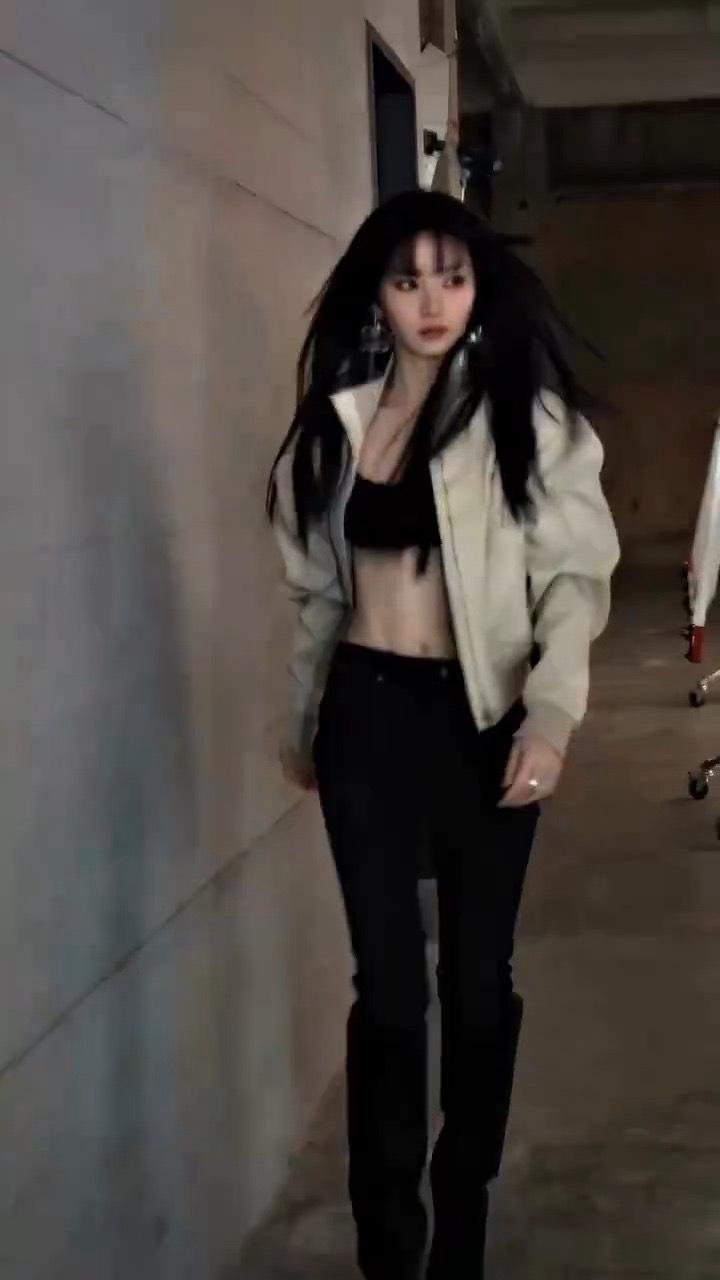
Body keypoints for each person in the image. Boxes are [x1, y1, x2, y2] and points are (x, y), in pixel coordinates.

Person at [265, 189, 620, 1280]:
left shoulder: (528, 419)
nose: (431, 300)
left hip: (483, 719)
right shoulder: (339, 424)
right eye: (407, 279)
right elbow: (319, 596)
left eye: (451, 278)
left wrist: (550, 716)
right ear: (376, 292)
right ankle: (390, 1243)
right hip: (366, 715)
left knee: (476, 983)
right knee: (388, 993)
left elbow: (574, 582)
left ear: (478, 289)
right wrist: (303, 720)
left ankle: (461, 1210)